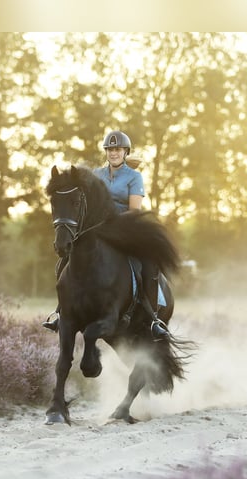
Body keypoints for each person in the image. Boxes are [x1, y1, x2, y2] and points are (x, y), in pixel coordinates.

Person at [43, 130, 170, 340]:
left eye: (117, 150)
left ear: (125, 152)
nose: (113, 153)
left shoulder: (134, 177)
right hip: (96, 230)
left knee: (148, 263)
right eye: (110, 149)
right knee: (64, 262)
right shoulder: (96, 175)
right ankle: (60, 312)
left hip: (124, 228)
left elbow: (134, 210)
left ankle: (154, 318)